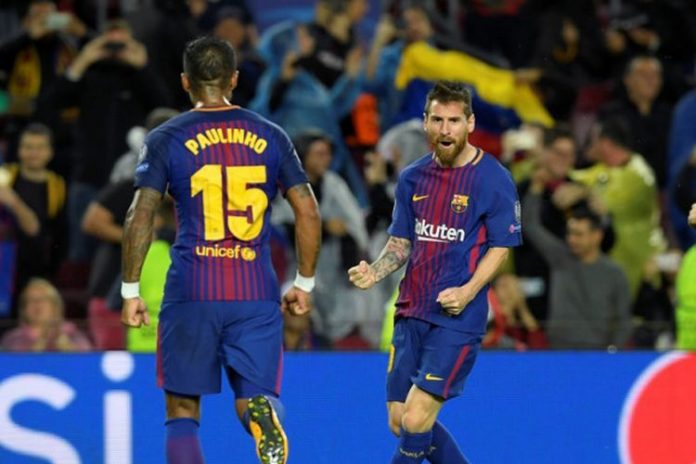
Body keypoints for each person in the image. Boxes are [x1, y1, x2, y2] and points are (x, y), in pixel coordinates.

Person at [120, 36, 321, 464]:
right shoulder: (271, 135)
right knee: (253, 398)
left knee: (182, 409)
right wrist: (304, 282)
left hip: (193, 287)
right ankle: (264, 415)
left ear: (184, 82)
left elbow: (140, 213)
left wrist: (130, 289)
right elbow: (307, 208)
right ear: (233, 79)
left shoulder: (166, 138)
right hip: (254, 289)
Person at [349, 81, 522, 464]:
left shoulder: (493, 179)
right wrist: (375, 273)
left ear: (470, 123)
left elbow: (502, 247)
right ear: (425, 123)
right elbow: (402, 243)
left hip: (457, 318)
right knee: (401, 421)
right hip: (411, 311)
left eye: (455, 121)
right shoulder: (412, 178)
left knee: (416, 416)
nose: (446, 130)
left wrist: (468, 291)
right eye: (438, 120)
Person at [523, 169, 633, 349]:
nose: (571, 239)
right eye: (570, 233)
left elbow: (624, 321)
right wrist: (536, 188)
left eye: (579, 234)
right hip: (558, 352)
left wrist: (613, 352)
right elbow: (530, 225)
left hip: (597, 355)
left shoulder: (615, 273)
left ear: (597, 236)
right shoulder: (560, 257)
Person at [1, 278, 91, 352]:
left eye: (43, 299)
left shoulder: (74, 335)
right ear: (24, 309)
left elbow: (87, 365)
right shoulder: (12, 339)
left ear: (55, 305)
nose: (37, 304)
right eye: (31, 300)